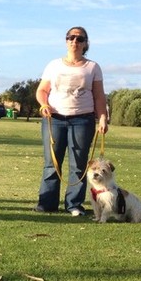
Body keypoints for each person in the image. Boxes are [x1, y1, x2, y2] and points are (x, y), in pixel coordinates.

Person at [34, 26, 108, 216]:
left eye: (79, 38)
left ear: (85, 43)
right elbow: (42, 90)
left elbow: (99, 96)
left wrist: (102, 118)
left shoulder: (92, 67)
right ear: (66, 41)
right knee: (52, 163)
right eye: (71, 37)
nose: (75, 41)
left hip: (82, 120)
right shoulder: (53, 65)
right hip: (55, 119)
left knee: (79, 165)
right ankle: (47, 204)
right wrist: (44, 104)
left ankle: (74, 205)